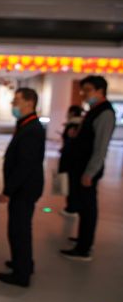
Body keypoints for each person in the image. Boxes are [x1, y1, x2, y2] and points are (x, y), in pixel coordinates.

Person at [60, 76, 116, 261]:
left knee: (88, 207)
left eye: (88, 90)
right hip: (80, 167)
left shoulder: (105, 113)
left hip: (87, 170)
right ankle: (83, 239)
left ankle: (84, 247)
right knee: (84, 207)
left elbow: (100, 147)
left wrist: (90, 173)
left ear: (100, 91)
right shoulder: (93, 110)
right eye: (83, 90)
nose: (84, 94)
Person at [0, 88, 45, 287]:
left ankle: (21, 274)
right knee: (20, 227)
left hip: (25, 188)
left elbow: (25, 165)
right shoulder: (26, 124)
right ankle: (23, 262)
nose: (13, 105)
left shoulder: (32, 129)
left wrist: (8, 192)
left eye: (16, 101)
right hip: (24, 187)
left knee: (18, 230)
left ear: (30, 102)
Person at [58, 105, 84, 219]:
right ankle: (73, 206)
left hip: (70, 158)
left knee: (70, 183)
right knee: (73, 183)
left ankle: (71, 208)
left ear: (72, 113)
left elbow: (70, 139)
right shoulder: (82, 123)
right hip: (76, 158)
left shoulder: (73, 124)